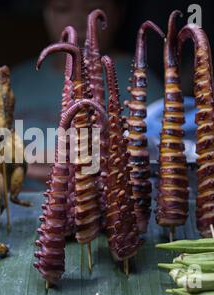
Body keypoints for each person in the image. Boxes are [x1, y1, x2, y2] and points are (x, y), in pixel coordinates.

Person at [11, 0, 163, 190]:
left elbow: (163, 158)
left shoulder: (143, 84)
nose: (78, 21)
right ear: (46, 13)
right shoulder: (16, 82)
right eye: (62, 9)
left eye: (93, 11)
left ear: (118, 14)